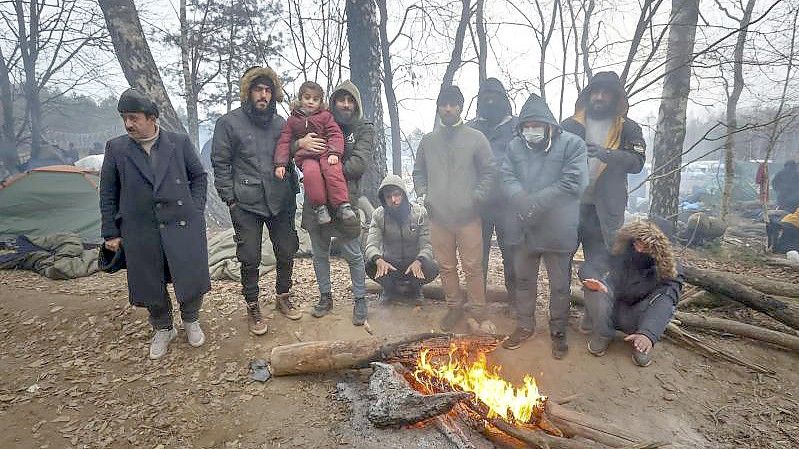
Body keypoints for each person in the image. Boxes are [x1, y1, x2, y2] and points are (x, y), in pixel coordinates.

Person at [99, 88, 210, 360]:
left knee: (189, 274)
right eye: (125, 118)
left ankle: (191, 320)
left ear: (152, 118)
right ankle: (163, 327)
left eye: (134, 118)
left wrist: (195, 209)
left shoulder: (178, 142)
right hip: (139, 228)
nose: (128, 124)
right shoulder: (117, 148)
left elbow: (199, 177)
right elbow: (108, 191)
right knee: (149, 280)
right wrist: (110, 232)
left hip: (181, 223)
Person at [211, 66, 301, 336]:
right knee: (249, 257)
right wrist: (230, 199)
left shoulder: (281, 123)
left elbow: (292, 155)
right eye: (258, 90)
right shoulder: (228, 123)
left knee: (287, 250)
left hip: (281, 199)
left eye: (267, 90)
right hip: (246, 202)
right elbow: (220, 163)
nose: (263, 95)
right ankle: (252, 304)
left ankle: (283, 295)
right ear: (248, 92)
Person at [499, 93, 588, 359]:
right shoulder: (515, 147)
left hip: (558, 228)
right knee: (524, 281)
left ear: (550, 125)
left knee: (560, 285)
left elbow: (575, 183)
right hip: (524, 227)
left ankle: (559, 332)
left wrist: (535, 202)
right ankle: (525, 326)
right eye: (526, 126)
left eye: (536, 125)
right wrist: (520, 198)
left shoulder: (573, 145)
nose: (531, 131)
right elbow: (505, 177)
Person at [413, 85, 496, 332]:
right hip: (438, 217)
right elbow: (418, 172)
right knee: (447, 267)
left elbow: (489, 171)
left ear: (460, 107)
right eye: (443, 104)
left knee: (472, 266)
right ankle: (454, 308)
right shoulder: (428, 141)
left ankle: (478, 311)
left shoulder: (476, 138)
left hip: (468, 217)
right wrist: (423, 194)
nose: (448, 109)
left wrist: (477, 197)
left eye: (453, 104)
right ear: (438, 108)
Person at [294, 80, 372, 326]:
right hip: (316, 200)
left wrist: (327, 170)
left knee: (353, 253)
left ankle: (360, 298)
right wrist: (300, 144)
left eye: (350, 100)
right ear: (333, 101)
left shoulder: (363, 128)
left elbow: (359, 164)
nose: (345, 105)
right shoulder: (317, 119)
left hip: (344, 200)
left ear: (356, 104)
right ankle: (325, 296)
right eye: (341, 99)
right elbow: (293, 144)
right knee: (320, 253)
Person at [561, 71, 646, 280]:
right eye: (595, 92)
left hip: (605, 210)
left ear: (615, 98)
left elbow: (637, 163)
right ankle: (560, 311)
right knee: (560, 260)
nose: (599, 97)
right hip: (569, 205)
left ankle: (595, 310)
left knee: (598, 265)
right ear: (588, 95)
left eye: (605, 93)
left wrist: (607, 154)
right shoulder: (569, 125)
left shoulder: (628, 128)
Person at [580, 220, 684, 367]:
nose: (639, 248)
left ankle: (642, 342)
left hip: (639, 316)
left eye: (647, 245)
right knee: (594, 288)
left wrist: (649, 333)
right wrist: (593, 280)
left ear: (660, 247)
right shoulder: (621, 249)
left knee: (665, 299)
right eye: (638, 242)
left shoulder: (670, 267)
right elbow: (591, 265)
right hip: (611, 308)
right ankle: (603, 333)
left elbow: (666, 302)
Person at [274, 81, 356, 225]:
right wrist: (280, 163)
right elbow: (284, 142)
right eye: (307, 98)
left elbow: (335, 134)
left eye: (315, 99)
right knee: (311, 175)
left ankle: (342, 205)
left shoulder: (325, 116)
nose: (311, 102)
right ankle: (320, 208)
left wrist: (334, 152)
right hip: (306, 156)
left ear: (320, 101)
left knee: (333, 171)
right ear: (300, 98)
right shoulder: (292, 120)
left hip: (325, 153)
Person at [467, 77, 518, 303]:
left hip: (509, 203)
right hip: (478, 202)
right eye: (485, 97)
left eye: (495, 96)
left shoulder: (517, 126)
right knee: (477, 255)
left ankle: (516, 302)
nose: (489, 101)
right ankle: (477, 302)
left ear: (504, 99)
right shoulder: (469, 128)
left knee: (512, 254)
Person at [364, 174, 438, 303]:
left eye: (397, 194)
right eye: (388, 197)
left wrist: (419, 261)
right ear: (383, 199)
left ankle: (415, 289)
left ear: (403, 195)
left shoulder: (420, 213)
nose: (393, 200)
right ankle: (389, 289)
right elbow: (370, 245)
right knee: (370, 266)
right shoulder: (378, 215)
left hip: (414, 264)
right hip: (390, 265)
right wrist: (378, 260)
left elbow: (428, 245)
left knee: (433, 266)